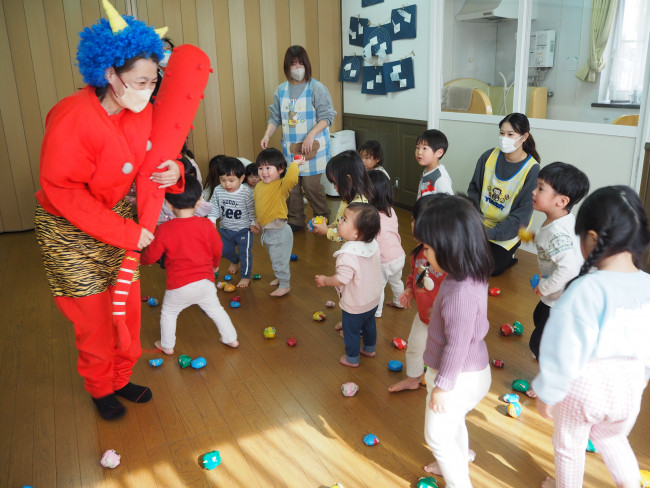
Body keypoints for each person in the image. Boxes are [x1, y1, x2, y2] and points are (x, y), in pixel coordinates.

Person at [33, 2, 186, 420]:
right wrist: (126, 232)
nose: (149, 90)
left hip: (118, 220)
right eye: (141, 81)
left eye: (153, 81)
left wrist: (174, 170)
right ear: (109, 74)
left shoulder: (142, 112)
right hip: (68, 230)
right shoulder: (72, 117)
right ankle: (100, 387)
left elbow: (159, 156)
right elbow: (64, 190)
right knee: (94, 317)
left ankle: (121, 377)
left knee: (128, 307)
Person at [533, 186, 650, 488]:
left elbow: (562, 347)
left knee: (569, 447)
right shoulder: (647, 284)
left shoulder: (585, 288)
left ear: (593, 238)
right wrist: (643, 375)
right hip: (630, 387)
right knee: (613, 438)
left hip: (585, 389)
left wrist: (548, 391)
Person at [414, 195, 493, 485]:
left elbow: (457, 346)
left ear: (451, 247)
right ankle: (457, 458)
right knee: (453, 421)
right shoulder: (469, 273)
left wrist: (443, 386)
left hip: (456, 377)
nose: (424, 253)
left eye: (428, 248)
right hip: (468, 372)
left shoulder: (461, 293)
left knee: (436, 435)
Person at [141, 176, 239, 354]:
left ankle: (167, 345)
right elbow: (217, 248)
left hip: (179, 286)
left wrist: (144, 261)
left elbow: (152, 254)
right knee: (216, 309)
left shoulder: (164, 229)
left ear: (168, 204)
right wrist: (215, 265)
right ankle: (231, 338)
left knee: (169, 313)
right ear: (199, 201)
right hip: (205, 282)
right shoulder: (206, 225)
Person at [260, 45, 336, 231]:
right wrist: (267, 134)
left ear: (306, 65)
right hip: (292, 148)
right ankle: (296, 220)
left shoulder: (317, 88)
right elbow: (275, 117)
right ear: (287, 67)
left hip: (313, 149)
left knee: (311, 186)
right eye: (293, 64)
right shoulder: (281, 90)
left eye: (301, 64)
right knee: (292, 185)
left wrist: (311, 134)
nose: (298, 68)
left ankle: (321, 218)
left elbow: (327, 116)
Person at [529, 162, 589, 361]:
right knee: (539, 317)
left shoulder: (556, 232)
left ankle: (550, 369)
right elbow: (554, 243)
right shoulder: (561, 220)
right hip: (561, 292)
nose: (534, 192)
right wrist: (533, 237)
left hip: (562, 296)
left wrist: (545, 287)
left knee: (538, 342)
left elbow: (568, 268)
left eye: (540, 188)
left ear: (561, 201)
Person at [467, 112, 541, 276]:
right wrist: (474, 222)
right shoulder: (488, 156)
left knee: (487, 267)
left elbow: (521, 216)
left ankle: (508, 257)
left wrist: (487, 234)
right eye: (501, 133)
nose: (504, 138)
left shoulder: (532, 170)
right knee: (454, 251)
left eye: (510, 134)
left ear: (524, 137)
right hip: (480, 223)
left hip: (507, 230)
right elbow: (474, 191)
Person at [388, 195, 447, 393]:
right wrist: (410, 290)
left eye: (416, 221)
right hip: (423, 316)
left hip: (445, 322)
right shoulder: (420, 252)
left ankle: (443, 386)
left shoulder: (449, 259)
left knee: (442, 356)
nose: (412, 225)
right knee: (414, 347)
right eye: (413, 220)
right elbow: (418, 275)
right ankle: (413, 378)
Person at [315, 203, 382, 368]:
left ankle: (352, 358)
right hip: (373, 298)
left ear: (356, 233)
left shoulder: (347, 255)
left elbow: (341, 279)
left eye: (344, 220)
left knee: (351, 331)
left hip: (355, 304)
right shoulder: (373, 244)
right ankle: (369, 348)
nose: (339, 221)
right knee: (369, 324)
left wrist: (325, 280)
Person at [254, 148, 304, 297]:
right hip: (268, 231)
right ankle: (280, 277)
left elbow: (292, 179)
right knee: (275, 258)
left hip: (280, 232)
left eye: (268, 168)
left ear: (281, 169)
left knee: (279, 261)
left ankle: (284, 285)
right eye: (260, 168)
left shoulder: (282, 185)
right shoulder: (259, 186)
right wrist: (257, 220)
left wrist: (295, 164)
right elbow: (259, 204)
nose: (264, 172)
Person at [207, 156, 259, 288]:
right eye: (222, 180)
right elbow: (214, 207)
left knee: (245, 254)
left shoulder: (246, 193)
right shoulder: (218, 190)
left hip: (244, 230)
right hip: (226, 229)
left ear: (241, 178)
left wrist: (253, 222)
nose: (227, 184)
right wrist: (211, 221)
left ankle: (245, 276)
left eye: (231, 180)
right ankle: (235, 261)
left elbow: (252, 209)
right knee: (224, 251)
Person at [311, 150, 373, 242]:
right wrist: (328, 227)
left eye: (335, 183)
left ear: (348, 180)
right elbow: (339, 222)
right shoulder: (347, 198)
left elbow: (346, 236)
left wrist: (326, 231)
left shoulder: (358, 206)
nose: (334, 187)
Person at [368, 170, 405, 318]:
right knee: (396, 281)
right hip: (398, 256)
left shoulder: (372, 216)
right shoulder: (391, 210)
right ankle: (400, 302)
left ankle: (376, 312)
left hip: (383, 260)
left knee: (379, 287)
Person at [416, 129, 453, 199]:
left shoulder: (441, 178)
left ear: (439, 153)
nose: (419, 152)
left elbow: (449, 202)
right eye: (417, 147)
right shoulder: (427, 170)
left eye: (424, 148)